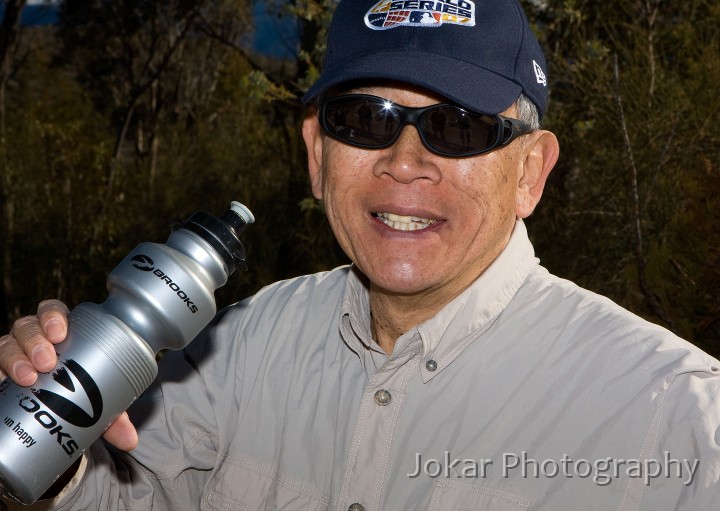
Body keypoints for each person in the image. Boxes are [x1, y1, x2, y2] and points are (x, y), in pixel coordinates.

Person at [1, 1, 719, 510]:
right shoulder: (239, 345)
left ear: (530, 171)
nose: (405, 162)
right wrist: (54, 446)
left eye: (458, 127)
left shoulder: (676, 415)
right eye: (365, 120)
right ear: (317, 154)